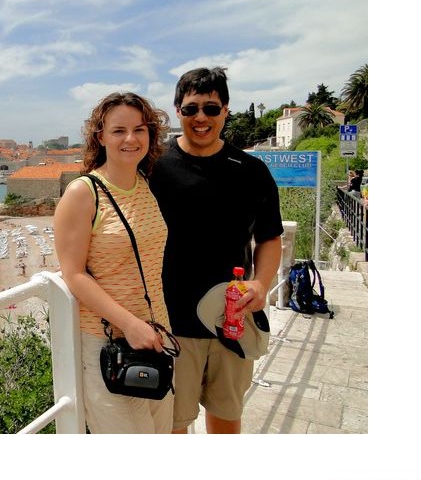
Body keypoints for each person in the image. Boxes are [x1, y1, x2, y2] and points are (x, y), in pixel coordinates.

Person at [149, 67, 283, 434]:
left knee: (226, 420)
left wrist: (260, 284)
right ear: (178, 111)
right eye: (191, 109)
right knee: (171, 425)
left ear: (225, 110)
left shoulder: (252, 171)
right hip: (171, 324)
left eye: (211, 108)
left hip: (232, 320)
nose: (201, 118)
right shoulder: (154, 168)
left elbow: (269, 237)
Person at [54, 92, 173, 433]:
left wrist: (149, 327)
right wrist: (131, 324)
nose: (130, 139)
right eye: (119, 130)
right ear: (100, 136)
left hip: (157, 335)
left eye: (139, 129)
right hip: (110, 342)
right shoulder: (83, 192)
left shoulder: (146, 186)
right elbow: (74, 275)